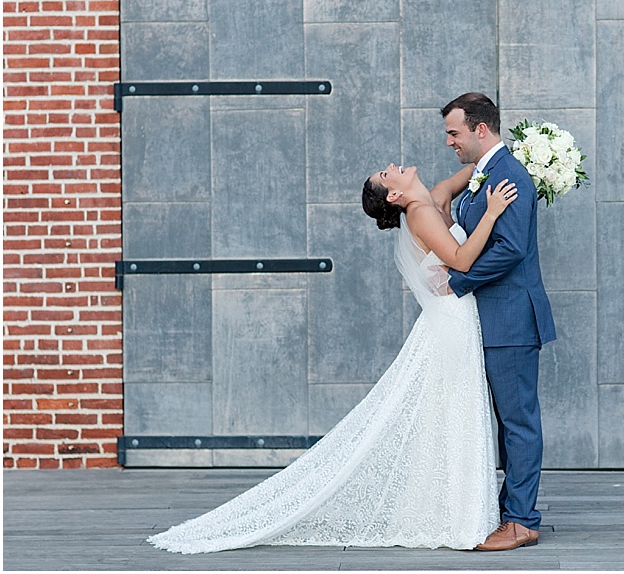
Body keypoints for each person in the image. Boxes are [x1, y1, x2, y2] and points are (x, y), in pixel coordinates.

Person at [146, 163, 518, 553]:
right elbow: (459, 261)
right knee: (454, 412)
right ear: (394, 196)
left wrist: (521, 155)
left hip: (456, 320)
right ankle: (456, 514)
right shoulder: (422, 213)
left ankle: (452, 507)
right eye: (387, 174)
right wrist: (491, 213)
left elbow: (476, 168)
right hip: (451, 325)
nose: (393, 167)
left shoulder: (434, 198)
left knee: (449, 414)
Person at [441, 92, 557, 551]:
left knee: (519, 422)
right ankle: (509, 511)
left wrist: (456, 282)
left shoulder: (509, 175)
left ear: (480, 129)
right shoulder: (484, 173)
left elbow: (510, 249)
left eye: (454, 132)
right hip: (493, 320)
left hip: (511, 319)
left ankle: (523, 520)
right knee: (505, 423)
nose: (449, 141)